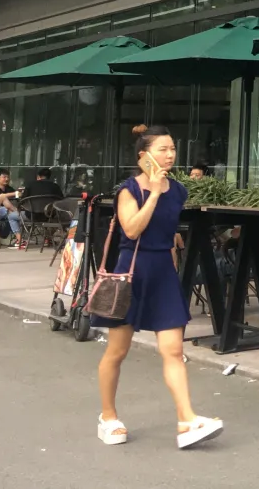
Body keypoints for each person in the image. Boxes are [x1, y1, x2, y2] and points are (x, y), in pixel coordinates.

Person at [93, 125, 223, 449]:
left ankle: (186, 420)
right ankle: (108, 417)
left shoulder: (178, 190)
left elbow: (167, 229)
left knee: (174, 350)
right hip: (132, 273)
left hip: (163, 272)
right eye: (163, 149)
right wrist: (152, 192)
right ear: (144, 156)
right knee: (117, 351)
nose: (170, 155)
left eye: (173, 149)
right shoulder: (129, 190)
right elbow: (132, 230)